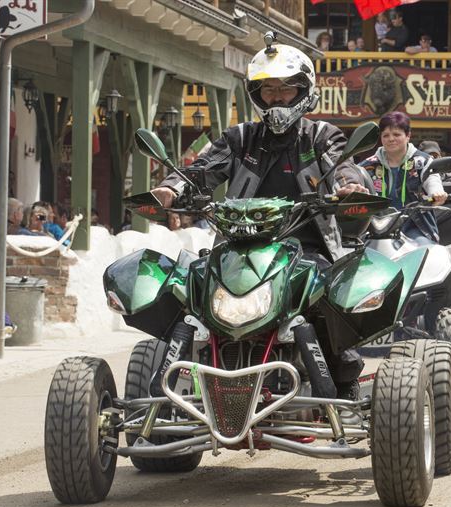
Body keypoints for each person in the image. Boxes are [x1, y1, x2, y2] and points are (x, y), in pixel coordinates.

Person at [150, 36, 369, 400]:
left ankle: (342, 385)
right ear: (256, 94)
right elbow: (202, 169)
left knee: (328, 300)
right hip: (238, 247)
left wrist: (349, 187)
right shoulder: (240, 138)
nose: (277, 97)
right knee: (188, 292)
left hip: (305, 247)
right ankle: (164, 393)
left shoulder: (320, 136)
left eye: (285, 88)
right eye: (268, 89)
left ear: (304, 91)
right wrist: (171, 188)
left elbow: (342, 165)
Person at [358, 111, 447, 245]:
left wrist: (436, 192)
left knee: (426, 250)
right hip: (375, 229)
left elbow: (432, 178)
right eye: (385, 135)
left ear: (408, 136)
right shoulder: (368, 165)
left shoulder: (423, 161)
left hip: (416, 227)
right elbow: (354, 181)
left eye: (396, 134)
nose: (391, 139)